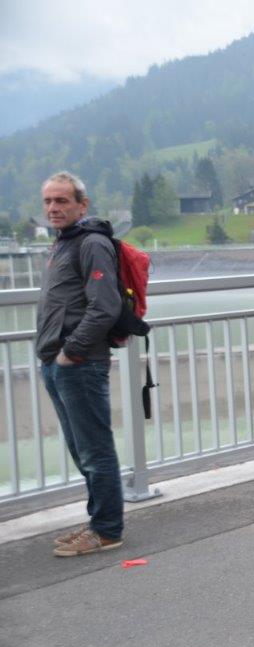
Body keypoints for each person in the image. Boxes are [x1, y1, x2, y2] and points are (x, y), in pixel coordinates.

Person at [36, 171, 125, 557]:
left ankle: (107, 530)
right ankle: (97, 520)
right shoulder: (63, 243)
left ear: (82, 204)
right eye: (48, 201)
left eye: (62, 200)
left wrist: (70, 352)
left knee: (95, 449)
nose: (53, 208)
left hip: (80, 363)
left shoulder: (91, 243)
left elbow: (105, 306)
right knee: (80, 448)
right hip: (58, 361)